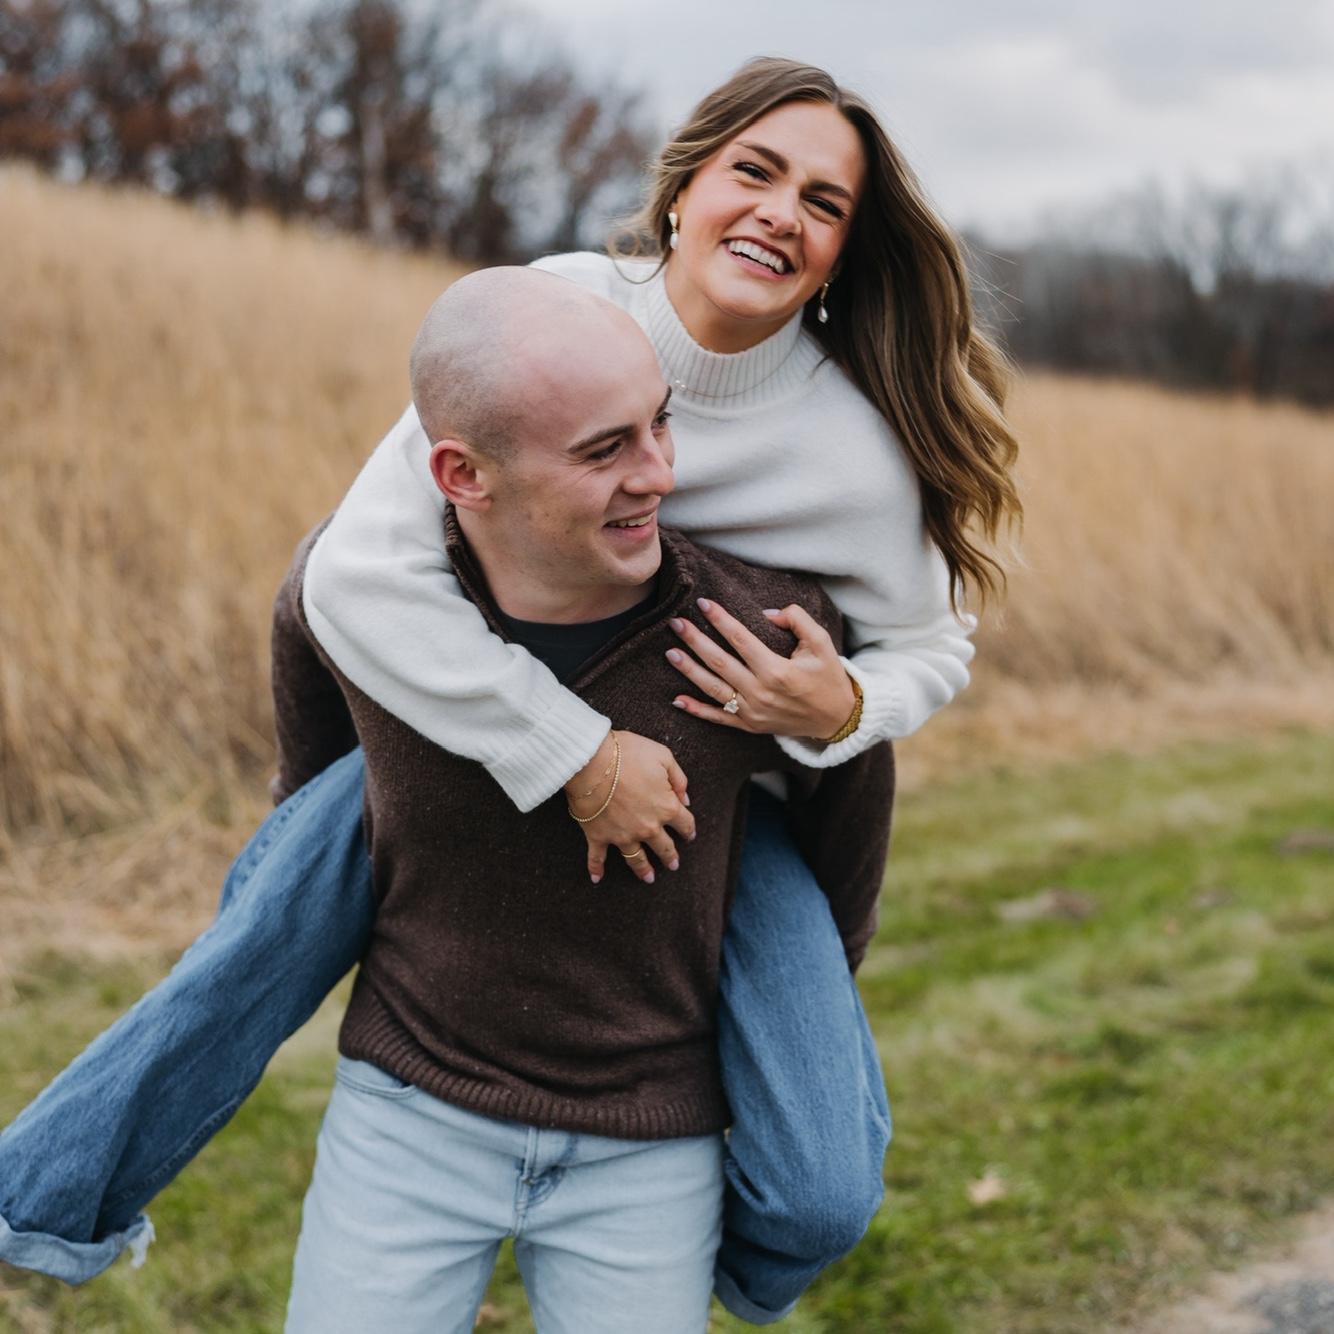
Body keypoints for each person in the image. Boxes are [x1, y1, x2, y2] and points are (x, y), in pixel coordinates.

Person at [0, 54, 1020, 1323]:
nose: (780, 212)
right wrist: (570, 752)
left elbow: (933, 645)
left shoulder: (853, 450)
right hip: (465, 730)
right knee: (252, 945)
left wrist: (845, 709)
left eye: (823, 202)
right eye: (753, 171)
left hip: (719, 801)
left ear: (839, 254)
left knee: (822, 1172)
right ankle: (41, 1200)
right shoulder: (552, 318)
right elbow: (349, 575)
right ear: (683, 188)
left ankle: (707, 1232)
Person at [278, 264, 892, 1332]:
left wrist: (791, 1003)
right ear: (462, 474)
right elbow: (309, 732)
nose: (659, 474)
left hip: (649, 1142)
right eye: (605, 450)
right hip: (408, 1114)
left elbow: (845, 809)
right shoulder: (369, 608)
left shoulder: (751, 633)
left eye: (660, 423)